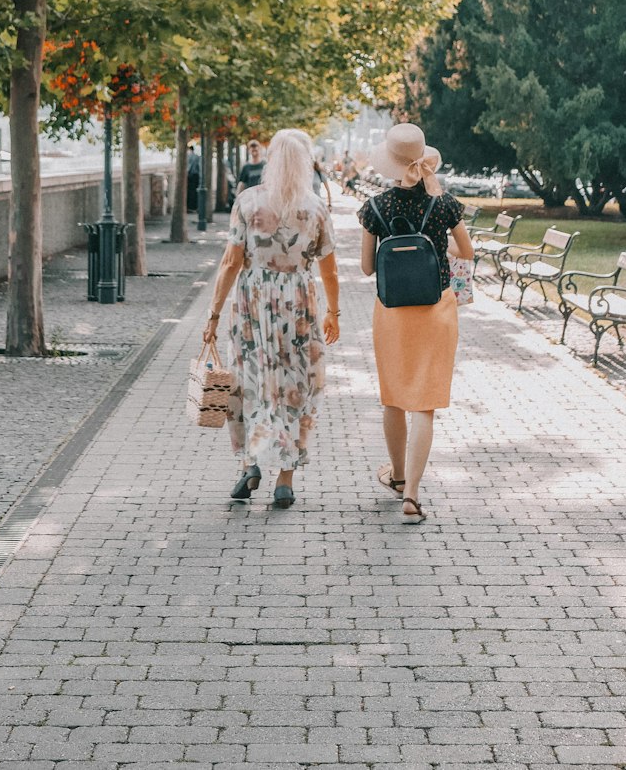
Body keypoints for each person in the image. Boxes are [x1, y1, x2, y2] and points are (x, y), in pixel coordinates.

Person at [204, 128, 339, 508]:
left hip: (252, 304)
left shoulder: (248, 201)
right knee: (295, 386)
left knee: (247, 381)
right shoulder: (316, 208)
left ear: (271, 159)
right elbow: (329, 270)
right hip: (298, 306)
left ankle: (250, 464)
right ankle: (286, 479)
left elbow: (231, 262)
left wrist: (213, 314)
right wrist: (335, 313)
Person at [358, 124, 474, 526]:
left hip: (391, 312)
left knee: (393, 396)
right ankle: (412, 495)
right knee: (424, 402)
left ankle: (397, 475)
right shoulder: (443, 204)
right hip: (436, 309)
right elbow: (467, 251)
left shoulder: (374, 208)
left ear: (390, 162)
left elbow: (367, 267)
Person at [186, 145, 201, 212]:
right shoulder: (197, 157)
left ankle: (190, 207)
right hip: (196, 176)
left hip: (190, 176)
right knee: (195, 192)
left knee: (189, 192)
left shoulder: (188, 156)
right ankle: (194, 207)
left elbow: (188, 167)